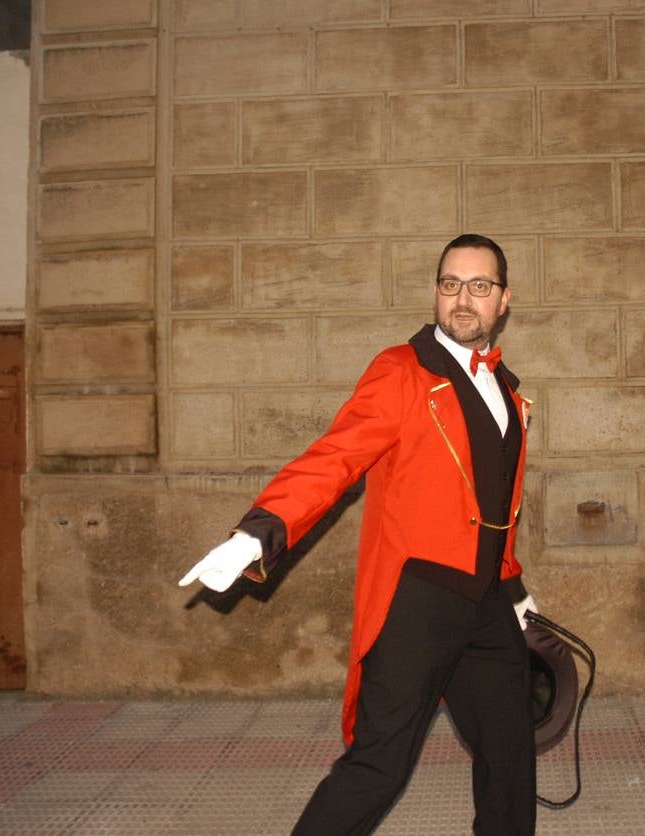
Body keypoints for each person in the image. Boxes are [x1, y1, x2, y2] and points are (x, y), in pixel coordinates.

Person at [179, 233, 538, 836]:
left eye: (480, 286)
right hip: (419, 599)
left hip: (490, 602)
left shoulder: (508, 391)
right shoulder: (401, 371)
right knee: (380, 763)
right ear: (435, 293)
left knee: (510, 756)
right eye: (451, 284)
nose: (463, 299)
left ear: (504, 300)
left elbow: (497, 504)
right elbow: (334, 458)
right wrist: (260, 531)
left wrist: (515, 584)